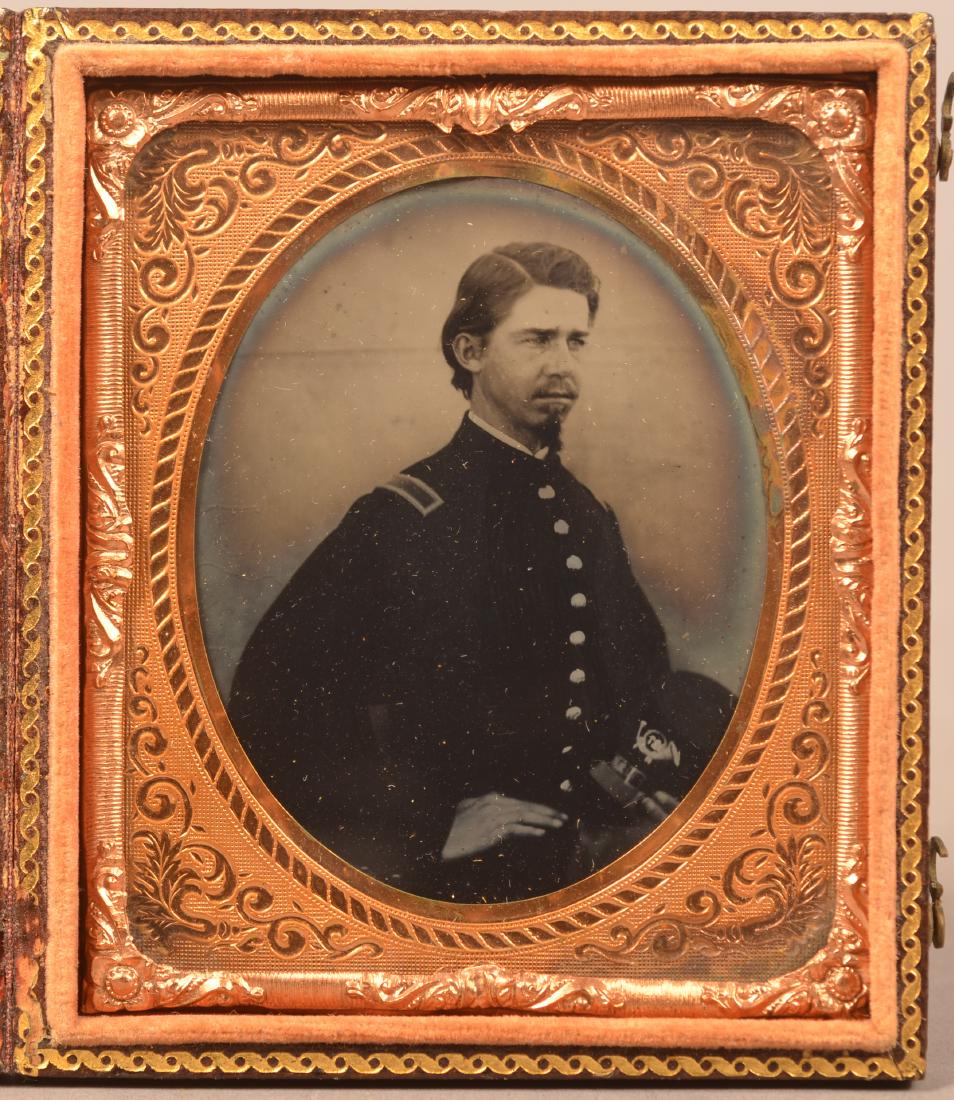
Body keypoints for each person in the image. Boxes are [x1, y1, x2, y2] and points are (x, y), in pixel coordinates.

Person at [228, 242, 733, 904]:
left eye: (576, 342)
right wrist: (429, 823)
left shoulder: (584, 513)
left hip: (594, 866)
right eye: (537, 340)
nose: (562, 366)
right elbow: (269, 705)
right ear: (471, 353)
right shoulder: (406, 516)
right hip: (468, 885)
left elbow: (638, 676)